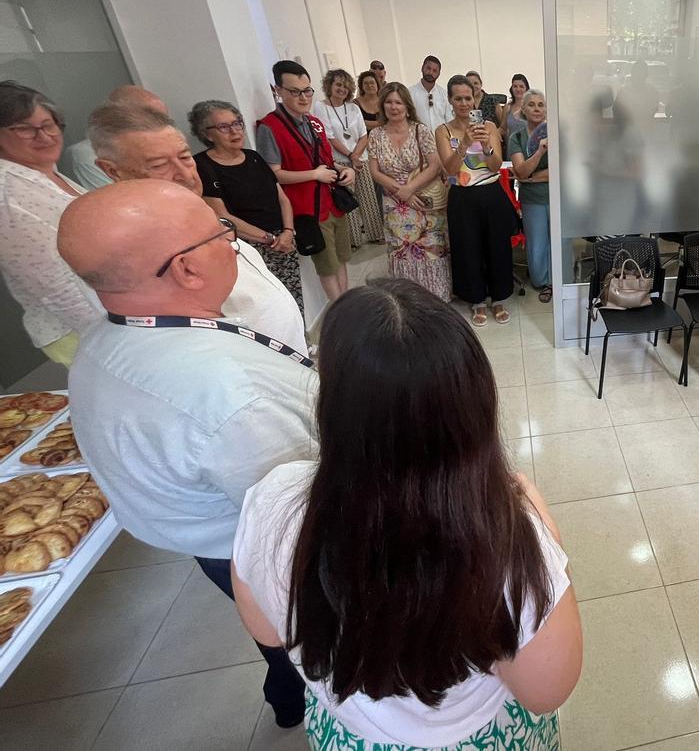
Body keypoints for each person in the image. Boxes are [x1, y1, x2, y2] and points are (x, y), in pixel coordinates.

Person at [231, 278, 582, 749]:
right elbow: (546, 691)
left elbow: (267, 632)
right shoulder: (508, 538)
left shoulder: (272, 498)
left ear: (333, 402)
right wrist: (548, 533)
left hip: (348, 733)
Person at [59, 179, 312, 729]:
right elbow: (300, 517)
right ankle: (309, 700)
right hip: (263, 554)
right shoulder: (230, 396)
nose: (232, 241)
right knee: (306, 643)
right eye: (219, 233)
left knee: (277, 645)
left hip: (213, 540)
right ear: (186, 270)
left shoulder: (111, 335)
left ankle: (287, 693)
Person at [90, 103, 307, 350]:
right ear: (113, 170)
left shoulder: (205, 219)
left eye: (184, 157)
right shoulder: (140, 253)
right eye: (160, 165)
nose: (185, 174)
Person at [0, 80, 102, 364]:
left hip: (111, 312)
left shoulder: (43, 171)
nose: (44, 136)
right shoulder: (8, 192)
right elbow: (53, 284)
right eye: (24, 128)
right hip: (83, 328)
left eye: (49, 125)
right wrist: (117, 335)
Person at [188, 100, 304, 317]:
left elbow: (282, 199)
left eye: (237, 123)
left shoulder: (253, 157)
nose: (234, 131)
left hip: (284, 241)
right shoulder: (202, 166)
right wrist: (269, 239)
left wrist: (288, 232)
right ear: (207, 134)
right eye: (224, 127)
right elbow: (221, 216)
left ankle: (301, 342)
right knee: (265, 307)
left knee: (292, 298)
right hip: (248, 249)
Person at [257, 60, 356, 303]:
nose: (303, 97)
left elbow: (327, 161)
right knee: (327, 265)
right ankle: (339, 310)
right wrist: (313, 175)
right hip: (308, 209)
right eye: (295, 91)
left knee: (342, 258)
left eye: (307, 91)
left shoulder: (315, 122)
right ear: (277, 90)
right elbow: (273, 174)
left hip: (333, 202)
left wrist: (346, 170)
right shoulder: (269, 127)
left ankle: (347, 303)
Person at [436, 74, 513, 327]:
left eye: (467, 98)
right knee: (468, 249)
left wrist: (485, 145)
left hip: (491, 194)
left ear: (475, 98)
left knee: (497, 247)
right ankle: (477, 300)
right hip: (462, 197)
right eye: (458, 98)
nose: (463, 103)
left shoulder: (489, 127)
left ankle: (499, 297)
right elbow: (449, 169)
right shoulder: (443, 131)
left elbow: (494, 166)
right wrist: (465, 143)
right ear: (450, 100)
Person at [367, 82, 451, 301]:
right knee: (401, 251)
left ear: (407, 105)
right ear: (382, 105)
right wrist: (401, 192)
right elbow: (375, 171)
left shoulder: (420, 130)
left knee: (431, 250)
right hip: (394, 202)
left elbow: (434, 165)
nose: (393, 107)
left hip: (423, 197)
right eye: (389, 102)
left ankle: (436, 296)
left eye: (398, 102)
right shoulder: (376, 134)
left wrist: (410, 189)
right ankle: (407, 300)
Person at [314, 69, 384, 248]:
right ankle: (353, 240)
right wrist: (350, 156)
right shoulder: (320, 107)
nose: (342, 89)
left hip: (361, 158)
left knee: (369, 197)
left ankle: (375, 234)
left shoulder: (353, 107)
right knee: (347, 201)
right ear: (329, 85)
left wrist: (357, 156)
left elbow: (363, 134)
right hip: (340, 161)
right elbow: (329, 136)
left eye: (345, 86)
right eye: (338, 84)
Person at [58, 84, 168, 191]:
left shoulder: (164, 146)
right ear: (119, 116)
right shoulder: (85, 155)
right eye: (152, 119)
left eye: (164, 119)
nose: (162, 126)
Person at [509, 90, 551, 302]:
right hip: (532, 200)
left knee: (559, 242)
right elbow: (520, 171)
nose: (537, 109)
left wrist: (533, 178)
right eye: (532, 104)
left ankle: (558, 280)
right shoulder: (516, 137)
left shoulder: (558, 134)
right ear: (523, 109)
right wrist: (540, 152)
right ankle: (542, 282)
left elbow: (561, 171)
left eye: (541, 104)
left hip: (557, 197)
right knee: (537, 243)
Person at [410, 54, 453, 131]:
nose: (430, 73)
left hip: (441, 140)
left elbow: (449, 120)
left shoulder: (444, 94)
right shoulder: (410, 93)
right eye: (428, 68)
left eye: (435, 71)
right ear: (422, 68)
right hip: (419, 140)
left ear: (439, 74)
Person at [500, 73, 529, 145]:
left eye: (521, 86)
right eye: (515, 86)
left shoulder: (531, 107)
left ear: (526, 89)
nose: (518, 89)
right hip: (512, 149)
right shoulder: (507, 107)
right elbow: (503, 128)